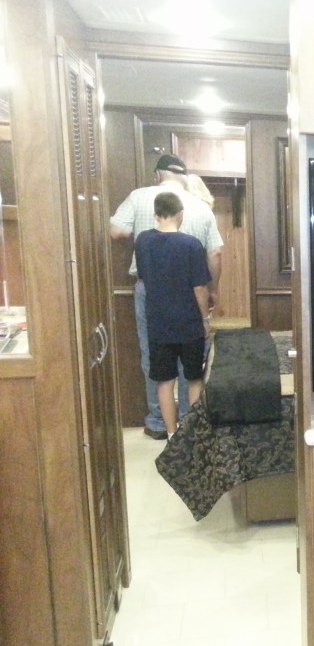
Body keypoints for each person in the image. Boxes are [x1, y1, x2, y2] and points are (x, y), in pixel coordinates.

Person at [110, 154, 223, 440]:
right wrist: (213, 293)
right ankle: (189, 424)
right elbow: (215, 253)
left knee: (155, 362)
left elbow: (116, 230)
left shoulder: (139, 203)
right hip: (189, 297)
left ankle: (161, 424)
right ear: (184, 177)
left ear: (158, 175)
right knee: (192, 369)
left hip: (152, 294)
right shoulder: (201, 208)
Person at [133, 191, 212, 439]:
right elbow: (199, 288)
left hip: (158, 324)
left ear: (156, 215)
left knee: (165, 382)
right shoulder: (191, 245)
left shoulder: (143, 241)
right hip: (189, 323)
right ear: (180, 214)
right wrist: (205, 319)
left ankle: (171, 434)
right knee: (194, 379)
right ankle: (193, 434)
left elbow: (144, 278)